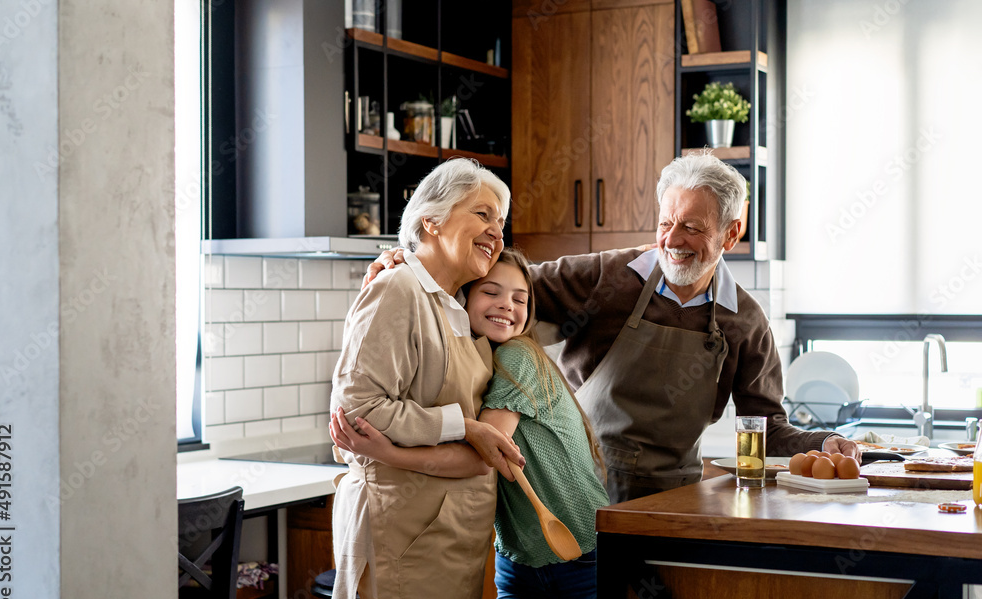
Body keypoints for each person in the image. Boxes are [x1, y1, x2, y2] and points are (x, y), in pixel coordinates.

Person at [364, 152, 860, 503]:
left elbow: (765, 426)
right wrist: (410, 264)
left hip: (673, 499)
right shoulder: (608, 276)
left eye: (693, 227)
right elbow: (493, 289)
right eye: (667, 222)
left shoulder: (744, 320)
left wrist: (821, 444)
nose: (674, 239)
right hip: (580, 490)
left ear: (731, 232)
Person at [331, 248, 610, 599]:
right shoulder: (473, 360)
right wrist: (395, 265)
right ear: (461, 298)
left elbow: (484, 458)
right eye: (491, 292)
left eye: (519, 298)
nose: (506, 306)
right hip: (518, 564)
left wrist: (386, 453)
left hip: (583, 556)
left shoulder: (517, 357)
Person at [329, 158, 524, 599]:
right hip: (409, 530)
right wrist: (466, 427)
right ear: (430, 221)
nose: (495, 232)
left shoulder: (454, 302)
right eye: (483, 214)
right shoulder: (397, 289)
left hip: (448, 533)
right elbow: (361, 409)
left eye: (500, 222)